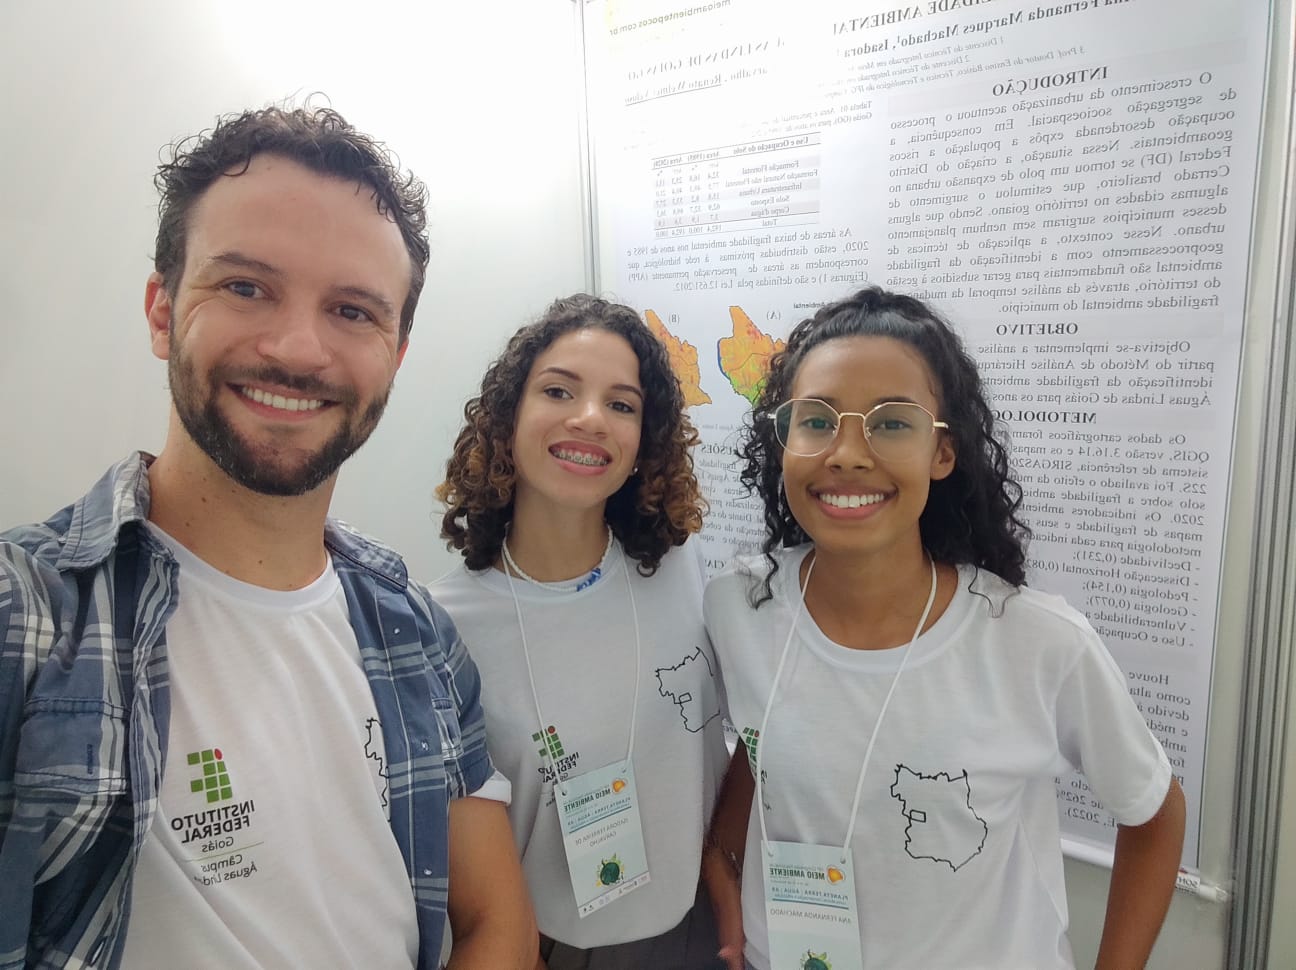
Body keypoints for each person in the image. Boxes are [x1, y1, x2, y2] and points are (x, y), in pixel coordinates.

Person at [0, 105, 536, 970]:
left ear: (396, 354)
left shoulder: (416, 626)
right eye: (246, 287)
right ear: (162, 311)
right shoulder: (29, 618)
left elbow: (492, 926)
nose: (297, 348)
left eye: (354, 310)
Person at [702, 286, 1185, 970]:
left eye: (891, 423)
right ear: (783, 441)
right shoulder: (739, 605)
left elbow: (1154, 812)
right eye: (816, 420)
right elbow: (764, 742)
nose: (846, 453)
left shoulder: (1035, 643)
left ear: (943, 452)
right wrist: (721, 856)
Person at [431, 294, 729, 969]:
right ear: (507, 420)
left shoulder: (680, 568)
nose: (590, 418)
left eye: (622, 405)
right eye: (559, 390)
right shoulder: (443, 626)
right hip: (552, 950)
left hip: (703, 934)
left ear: (643, 442)